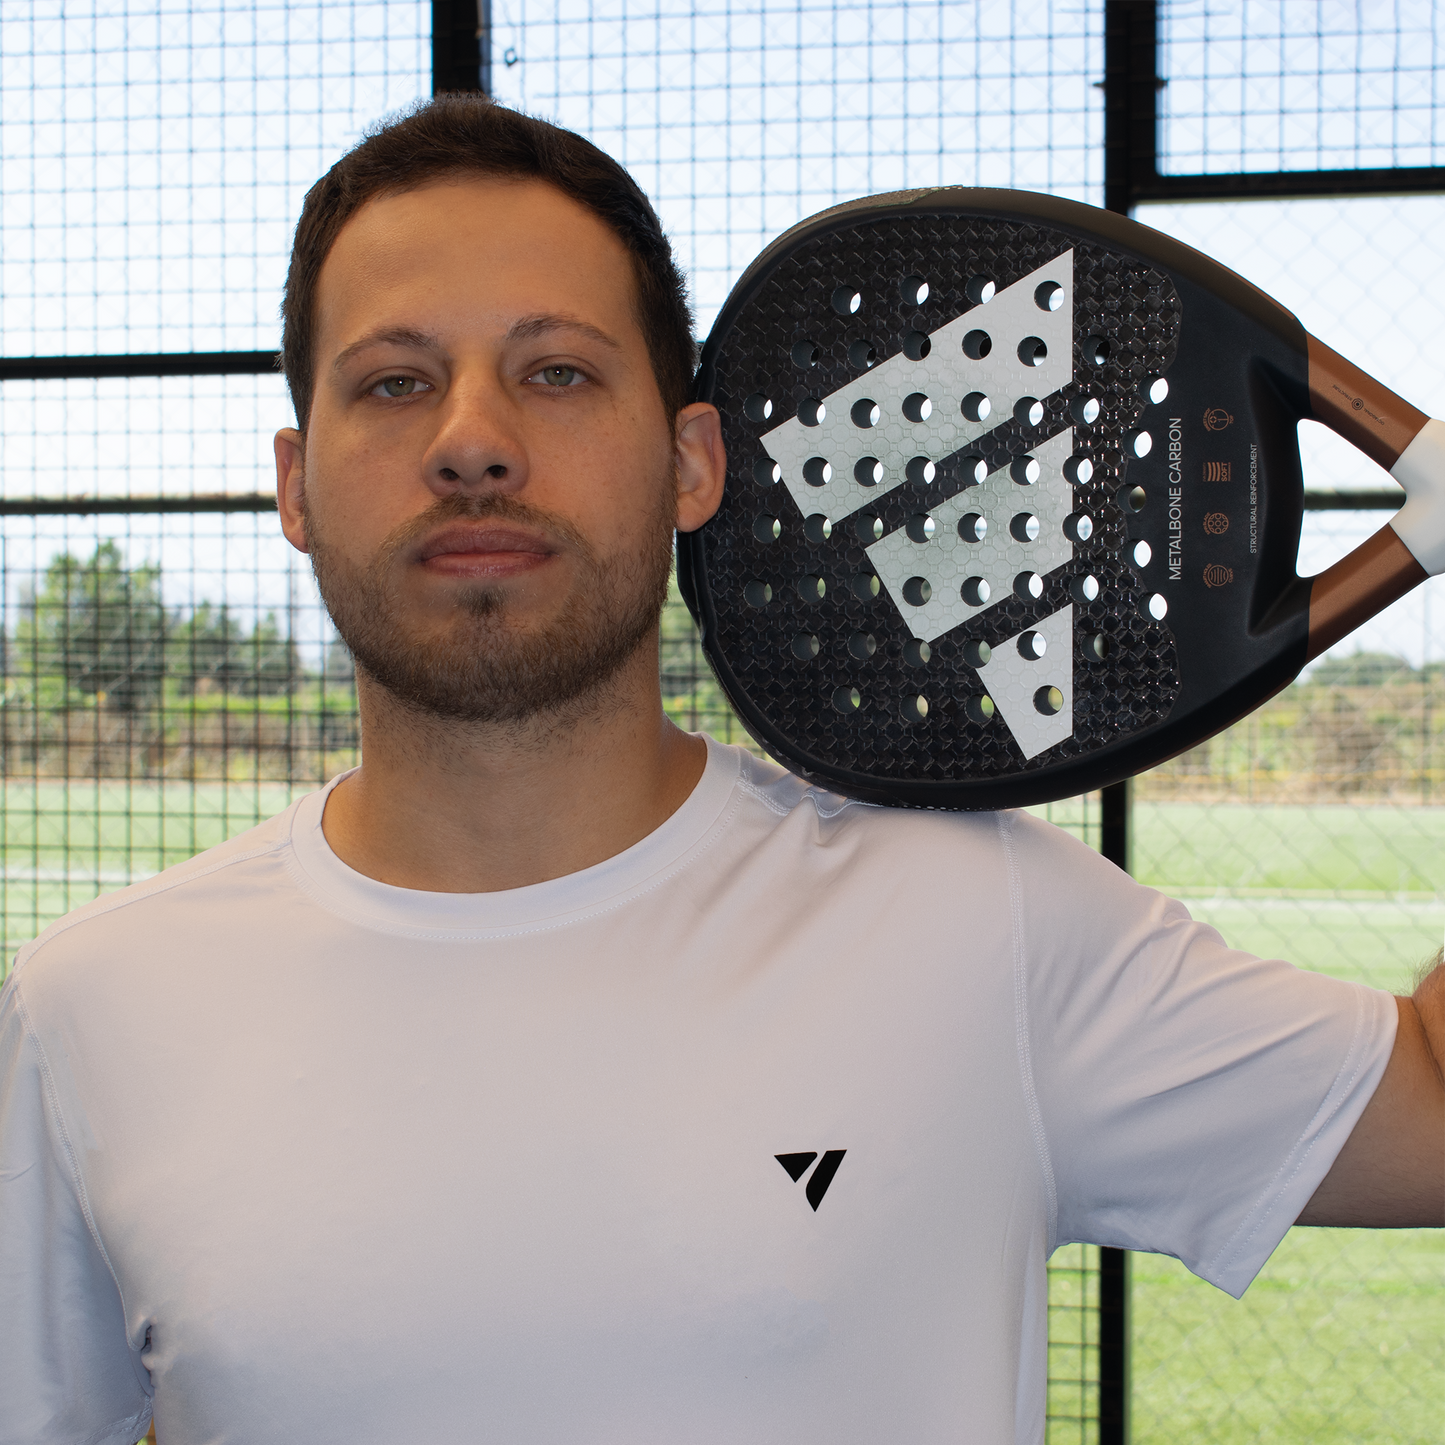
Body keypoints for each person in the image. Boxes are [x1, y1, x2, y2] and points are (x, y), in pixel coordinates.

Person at [1, 95, 1442, 1445]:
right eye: (394, 382)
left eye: (556, 372)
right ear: (297, 483)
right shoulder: (91, 1005)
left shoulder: (972, 922)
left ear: (693, 462)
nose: (474, 443)